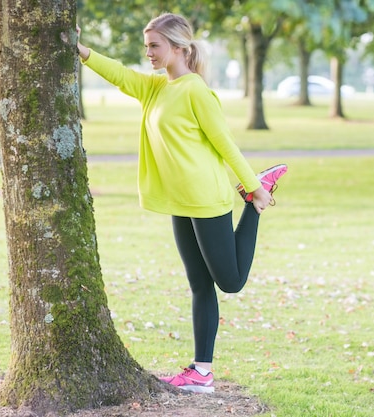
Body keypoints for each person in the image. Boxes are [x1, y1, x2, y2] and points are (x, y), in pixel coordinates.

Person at [74, 13, 287, 393]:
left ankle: (253, 205)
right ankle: (201, 371)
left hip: (207, 199)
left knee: (231, 282)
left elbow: (225, 144)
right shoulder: (156, 88)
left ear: (178, 47)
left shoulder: (196, 91)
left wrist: (253, 186)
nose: (149, 53)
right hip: (181, 203)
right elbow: (121, 75)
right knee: (199, 285)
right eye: (147, 46)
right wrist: (81, 50)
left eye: (155, 46)